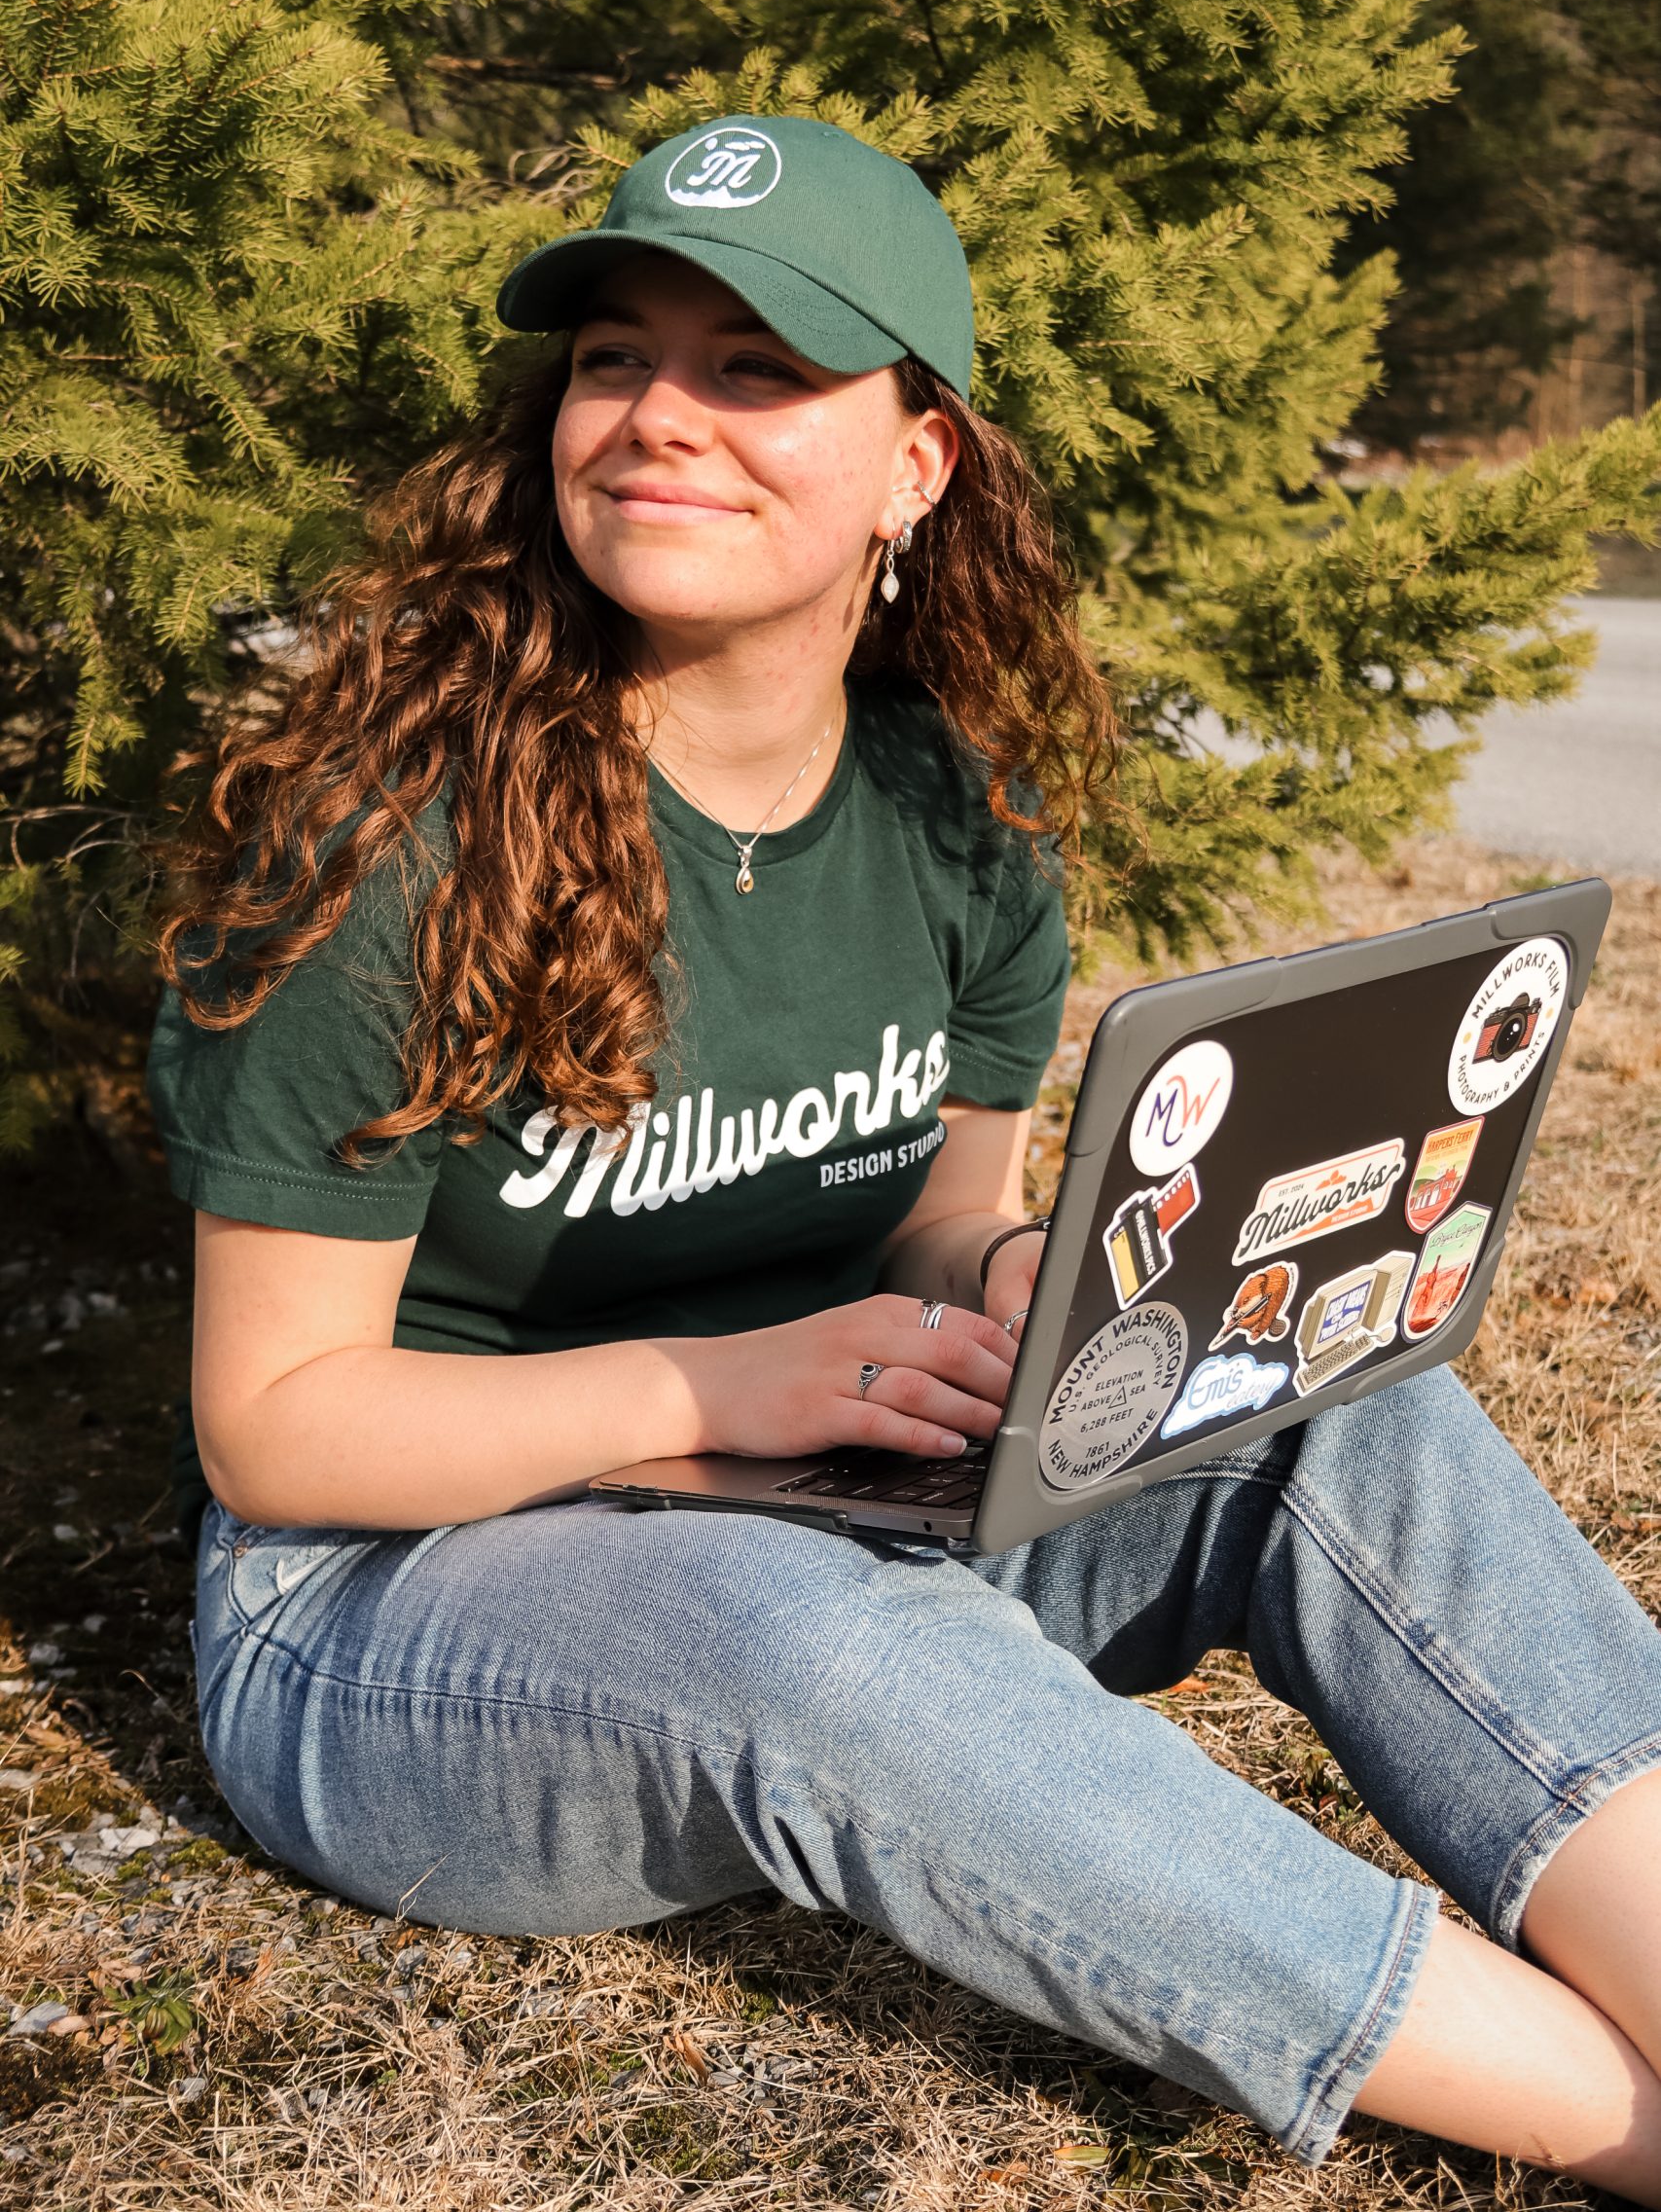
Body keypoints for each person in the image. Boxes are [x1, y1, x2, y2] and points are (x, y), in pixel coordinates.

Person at [149, 115, 1661, 2192]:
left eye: (757, 367)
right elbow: (276, 1427)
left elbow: (944, 1208)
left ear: (917, 462)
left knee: (1325, 1406)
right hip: (386, 1608)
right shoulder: (383, 843)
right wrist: (711, 1388)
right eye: (615, 355)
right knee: (824, 1645)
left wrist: (1014, 1271)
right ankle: (1611, 2125)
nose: (661, 414)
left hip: (823, 1475)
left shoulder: (954, 812)